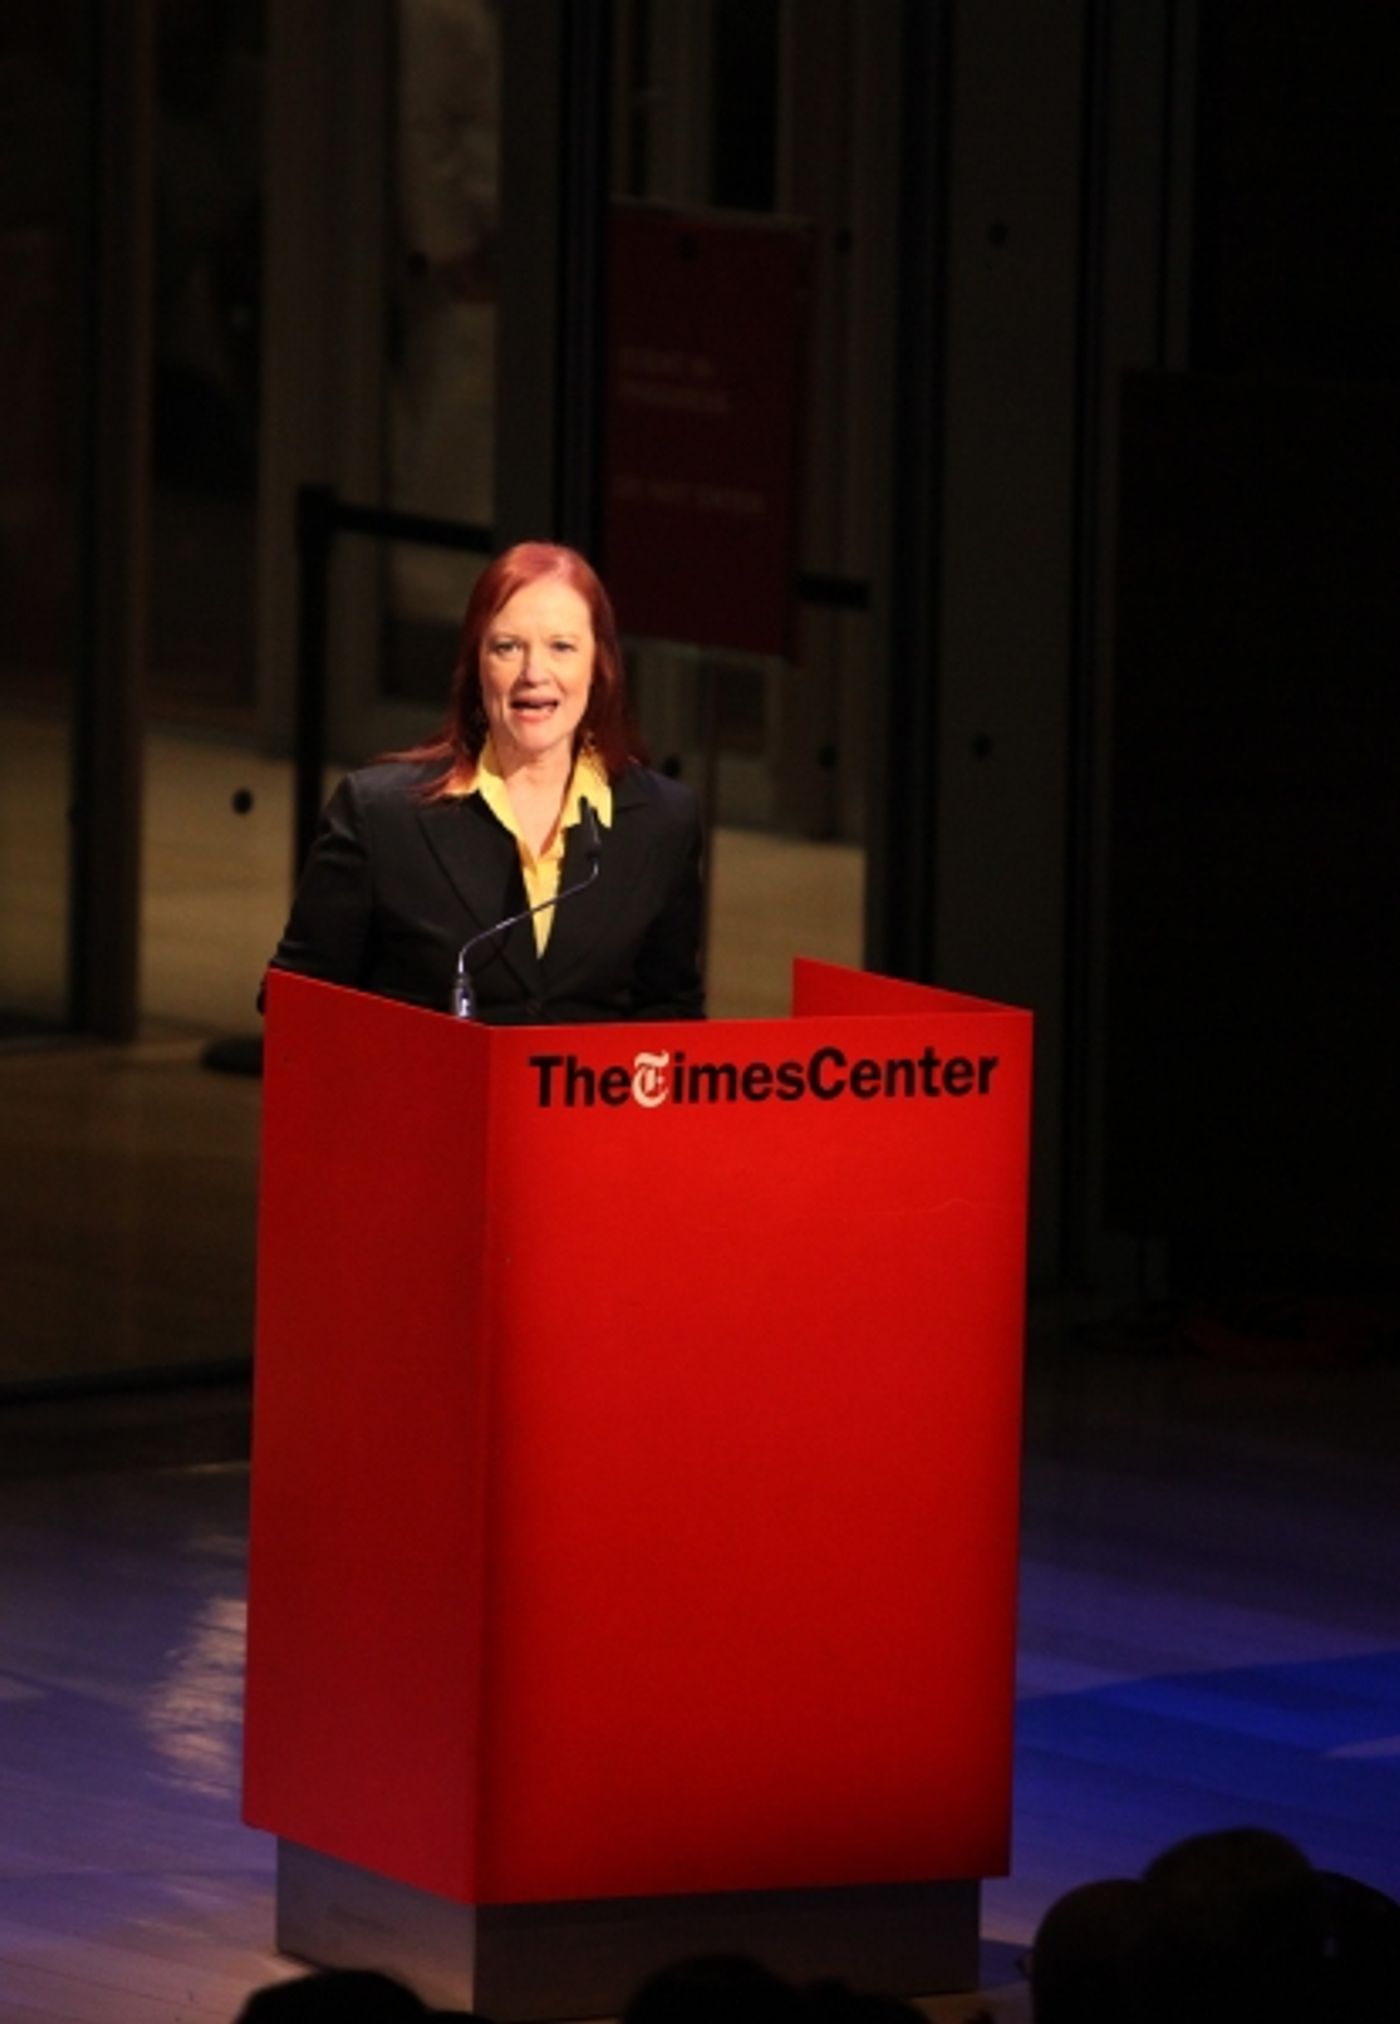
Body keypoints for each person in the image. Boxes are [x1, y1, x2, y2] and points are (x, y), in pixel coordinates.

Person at [267, 542, 705, 1023]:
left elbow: (671, 1014)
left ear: (598, 666)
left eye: (561, 647)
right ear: (477, 665)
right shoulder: (379, 815)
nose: (534, 674)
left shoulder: (664, 821)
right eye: (507, 647)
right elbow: (297, 1005)